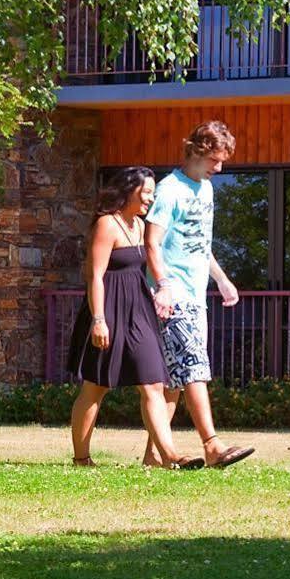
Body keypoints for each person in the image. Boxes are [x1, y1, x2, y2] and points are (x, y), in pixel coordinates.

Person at [68, 166, 203, 470]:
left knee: (154, 382)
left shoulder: (142, 227)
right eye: (146, 193)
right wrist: (99, 319)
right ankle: (81, 457)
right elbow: (95, 277)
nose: (150, 199)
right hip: (108, 308)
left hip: (138, 310)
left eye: (152, 194)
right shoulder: (107, 224)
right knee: (95, 387)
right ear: (128, 190)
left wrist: (161, 292)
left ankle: (167, 455)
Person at [144, 120, 256, 469]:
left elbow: (200, 245)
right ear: (196, 151)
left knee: (175, 379)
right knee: (193, 367)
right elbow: (151, 243)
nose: (219, 168)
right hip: (171, 295)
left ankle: (154, 456)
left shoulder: (205, 190)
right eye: (215, 160)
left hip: (196, 295)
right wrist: (163, 286)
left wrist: (222, 280)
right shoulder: (169, 190)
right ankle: (212, 444)